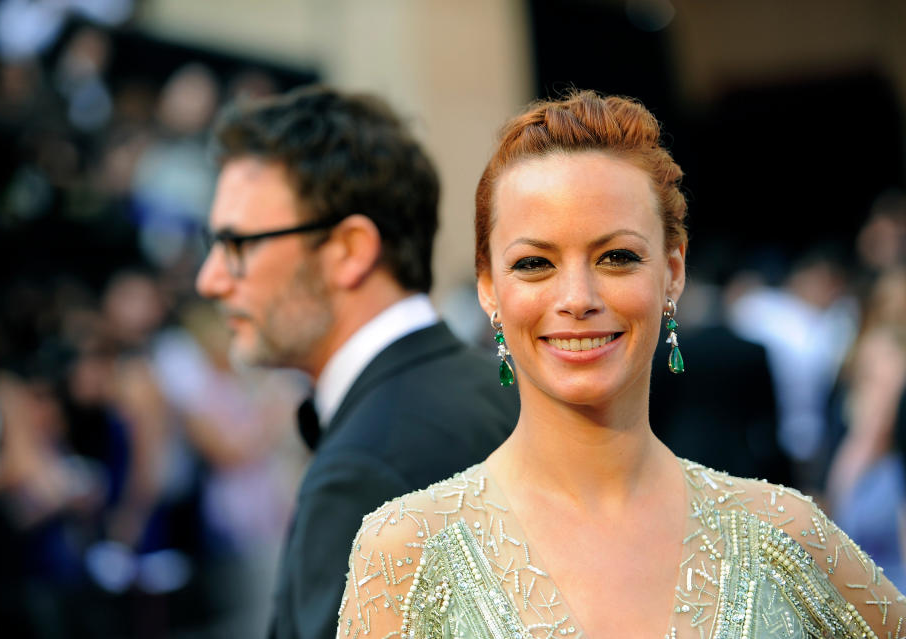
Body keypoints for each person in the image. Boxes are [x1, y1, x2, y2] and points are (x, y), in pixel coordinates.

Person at [337, 90, 905, 639]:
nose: (578, 297)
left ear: (673, 273)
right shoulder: (405, 554)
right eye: (535, 263)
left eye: (617, 257)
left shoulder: (785, 531)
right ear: (489, 288)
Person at [195, 86, 519, 639]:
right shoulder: (505, 390)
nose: (211, 279)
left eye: (237, 245)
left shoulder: (364, 470)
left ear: (349, 250)